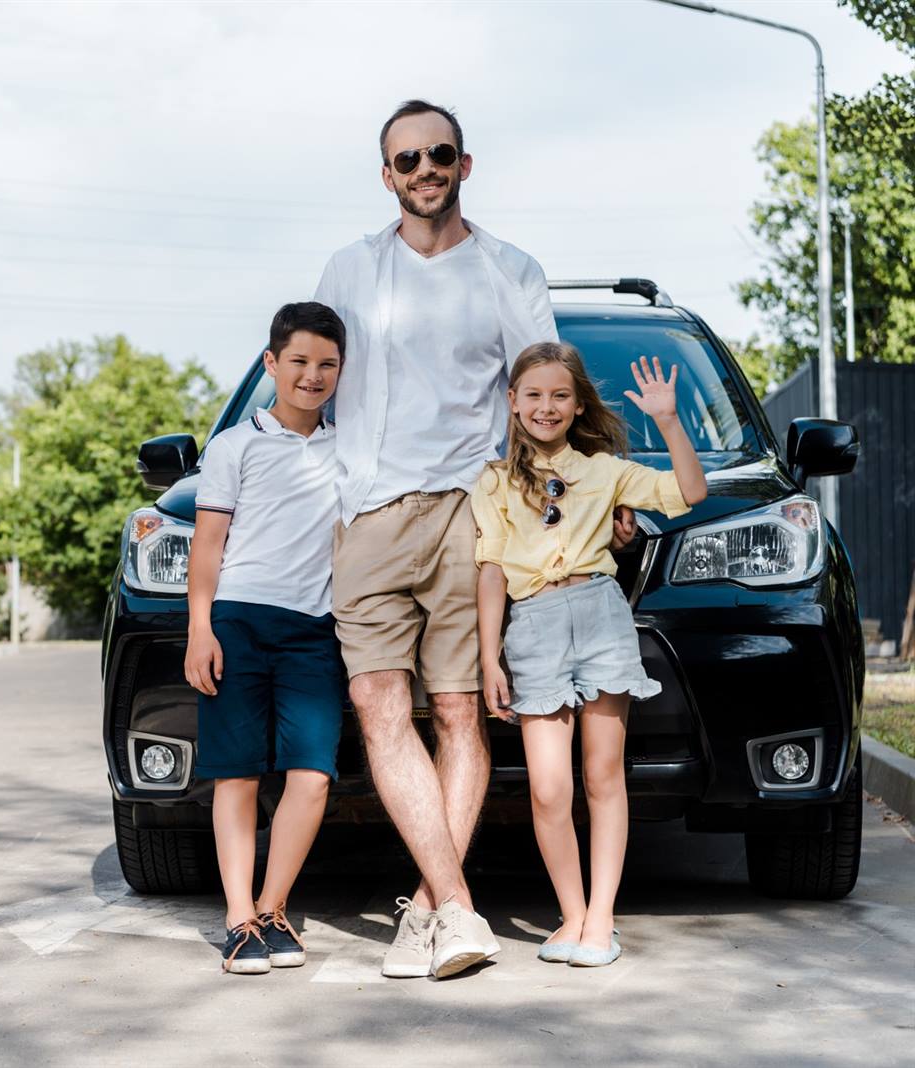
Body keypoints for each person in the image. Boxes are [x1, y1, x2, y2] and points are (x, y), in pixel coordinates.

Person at [313, 99, 634, 979]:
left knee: (456, 710)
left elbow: (548, 398)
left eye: (438, 154)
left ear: (463, 163)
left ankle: (432, 913)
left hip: (471, 513)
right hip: (369, 512)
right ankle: (456, 907)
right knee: (380, 704)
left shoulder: (509, 269)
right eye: (406, 158)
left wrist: (593, 491)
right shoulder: (349, 268)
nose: (423, 169)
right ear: (387, 175)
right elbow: (313, 383)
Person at [474, 343, 708, 968]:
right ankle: (571, 913)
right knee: (550, 789)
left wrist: (666, 418)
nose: (545, 407)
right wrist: (489, 657)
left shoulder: (605, 470)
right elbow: (492, 568)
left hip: (601, 615)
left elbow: (689, 490)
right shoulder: (493, 481)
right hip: (534, 626)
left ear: (577, 406)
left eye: (559, 395)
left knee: (603, 775)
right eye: (533, 395)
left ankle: (601, 918)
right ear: (513, 403)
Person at [184, 302, 347, 974]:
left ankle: (274, 910)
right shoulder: (235, 445)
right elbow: (209, 545)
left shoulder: (349, 448)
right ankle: (238, 917)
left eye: (328, 364)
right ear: (272, 364)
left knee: (311, 776)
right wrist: (200, 629)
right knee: (238, 773)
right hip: (239, 623)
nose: (313, 375)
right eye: (300, 361)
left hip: (315, 630)